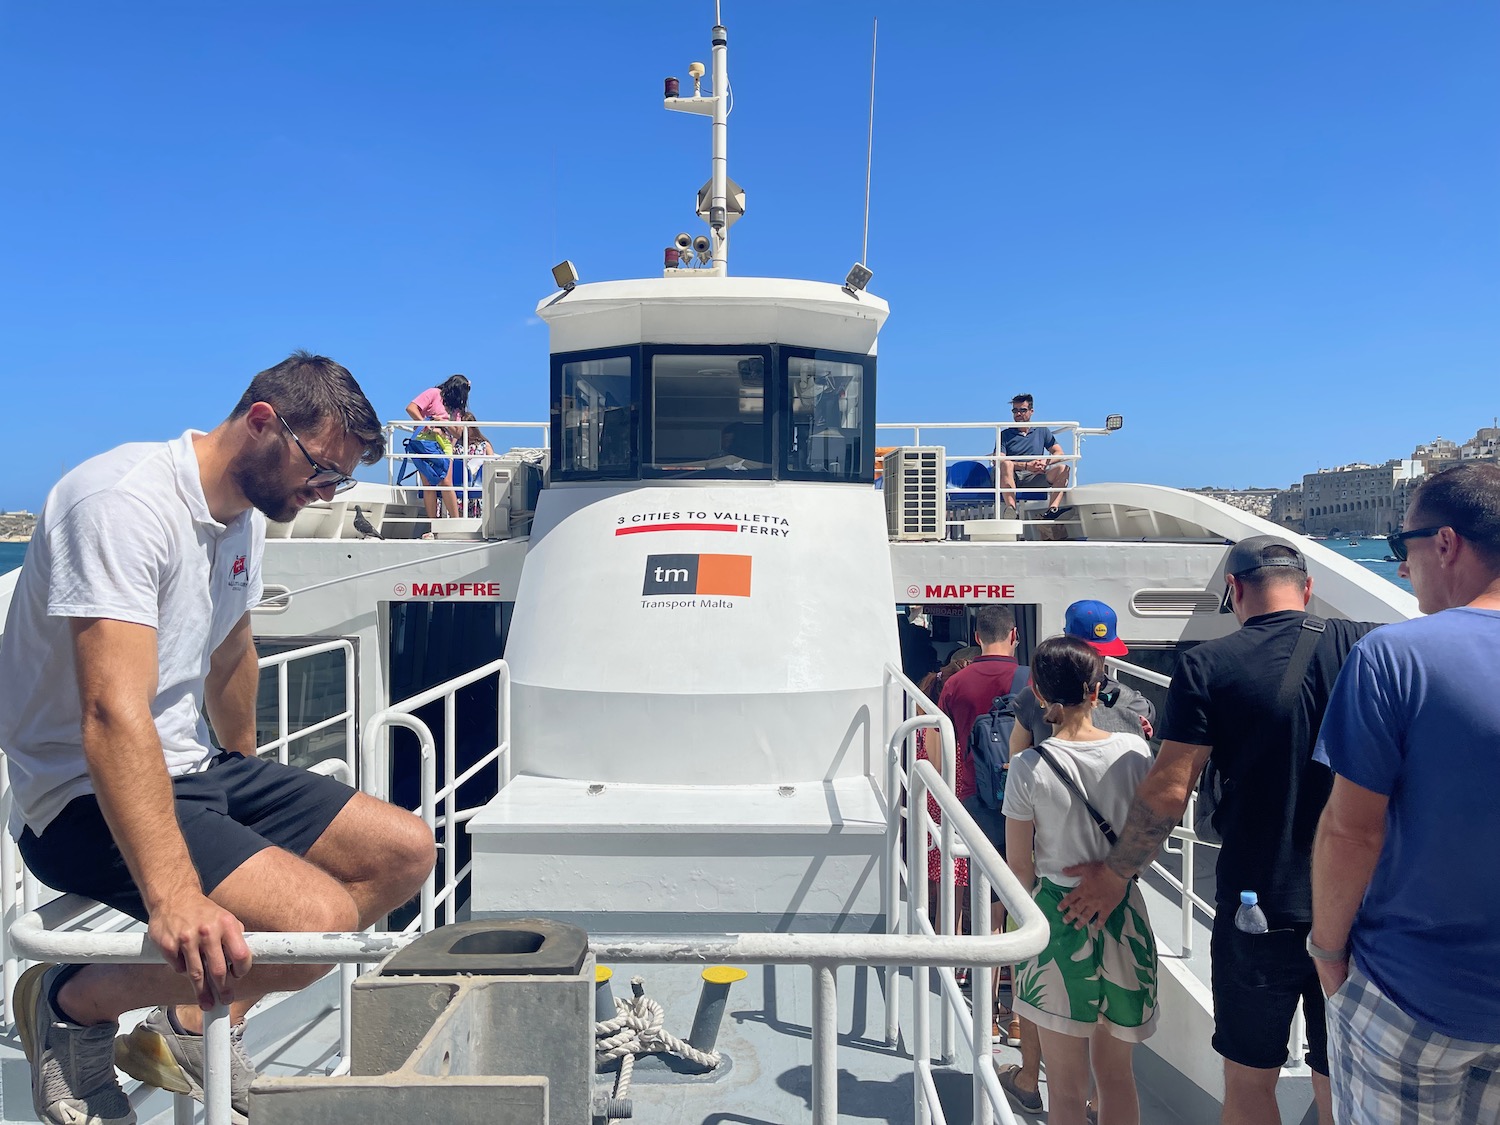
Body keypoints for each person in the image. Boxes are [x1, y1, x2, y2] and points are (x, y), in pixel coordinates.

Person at [0, 352, 438, 1125]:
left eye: (338, 480)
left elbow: (232, 652)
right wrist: (174, 897)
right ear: (263, 421)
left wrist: (247, 774)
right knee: (316, 928)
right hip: (78, 793)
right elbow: (109, 712)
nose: (326, 492)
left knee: (403, 850)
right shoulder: (120, 501)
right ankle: (74, 1003)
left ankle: (193, 1021)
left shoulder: (245, 517)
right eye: (323, 471)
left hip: (193, 764)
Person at [1056, 535, 1379, 1125]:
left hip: (1258, 906)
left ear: (1233, 591)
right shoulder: (1368, 646)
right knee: (1344, 1074)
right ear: (1307, 589)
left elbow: (1171, 789)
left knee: (1250, 1080)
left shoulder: (1208, 665)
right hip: (1361, 904)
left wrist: (1116, 875)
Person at [1309, 462, 1500, 1124]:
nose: (1399, 569)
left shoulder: (1395, 656)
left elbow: (1352, 831)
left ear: (1446, 543)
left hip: (1410, 990)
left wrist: (1328, 951)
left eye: (1402, 545)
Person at [1000, 598, 1155, 1115]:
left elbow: (1019, 867)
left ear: (1038, 692)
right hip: (1123, 911)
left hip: (1056, 920)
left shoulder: (1026, 768)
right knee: (1116, 1080)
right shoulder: (1135, 754)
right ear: (1097, 690)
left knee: (1065, 1087)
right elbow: (1148, 837)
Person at [405, 374, 471, 525]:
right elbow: (411, 408)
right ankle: (432, 525)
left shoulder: (456, 408)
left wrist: (443, 423)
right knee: (428, 483)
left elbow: (457, 433)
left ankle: (456, 523)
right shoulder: (433, 393)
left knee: (446, 482)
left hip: (444, 444)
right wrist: (426, 424)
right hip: (424, 442)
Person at [998, 393, 1070, 519]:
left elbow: (1059, 452)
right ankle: (1011, 511)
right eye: (1015, 410)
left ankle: (1052, 511)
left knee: (1064, 468)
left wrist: (1045, 461)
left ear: (1031, 411)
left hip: (1034, 477)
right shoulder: (1005, 435)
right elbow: (998, 460)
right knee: (1006, 463)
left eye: (1022, 410)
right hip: (1011, 476)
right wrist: (1026, 465)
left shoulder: (1042, 431)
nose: (1018, 414)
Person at [458, 411, 494, 519]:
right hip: (459, 483)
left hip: (477, 484)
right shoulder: (456, 445)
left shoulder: (484, 445)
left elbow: (492, 465)